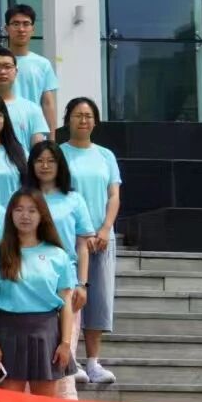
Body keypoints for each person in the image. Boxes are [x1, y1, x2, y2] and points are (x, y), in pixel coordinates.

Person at [0, 188, 77, 398]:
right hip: (8, 331)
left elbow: (66, 302)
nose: (25, 216)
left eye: (32, 210)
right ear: (10, 214)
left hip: (46, 332)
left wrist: (65, 343)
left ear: (42, 215)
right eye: (19, 210)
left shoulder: (57, 255)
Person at [60, 97, 122, 385]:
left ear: (95, 122)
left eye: (88, 116)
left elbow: (114, 195)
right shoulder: (59, 154)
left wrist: (105, 229)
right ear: (67, 120)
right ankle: (71, 359)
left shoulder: (106, 156)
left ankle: (94, 361)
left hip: (101, 238)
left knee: (98, 300)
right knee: (72, 297)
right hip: (69, 237)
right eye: (77, 115)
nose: (83, 120)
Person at [27, 141, 92, 396]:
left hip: (66, 285)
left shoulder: (73, 199)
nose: (45, 166)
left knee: (64, 355)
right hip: (29, 286)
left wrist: (82, 284)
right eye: (39, 160)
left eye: (51, 161)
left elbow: (82, 245)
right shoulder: (24, 198)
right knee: (31, 363)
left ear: (60, 165)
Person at [0, 3, 58, 128]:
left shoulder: (43, 64)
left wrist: (52, 137)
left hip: (33, 129)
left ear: (33, 29)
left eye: (26, 24)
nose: (21, 29)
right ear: (6, 28)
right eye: (16, 24)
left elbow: (47, 103)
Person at [0, 48, 48, 147]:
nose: (2, 71)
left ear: (16, 72)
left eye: (7, 67)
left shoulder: (32, 109)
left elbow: (38, 150)